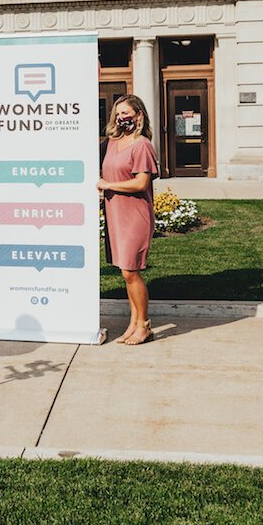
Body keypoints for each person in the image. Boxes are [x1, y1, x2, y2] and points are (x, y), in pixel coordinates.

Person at [97, 94, 159, 345]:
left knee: (130, 270)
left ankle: (144, 325)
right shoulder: (111, 143)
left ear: (139, 115)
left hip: (135, 215)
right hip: (115, 213)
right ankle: (133, 323)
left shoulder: (142, 145)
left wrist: (108, 184)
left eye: (127, 113)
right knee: (125, 273)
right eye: (118, 113)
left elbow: (141, 182)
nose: (122, 118)